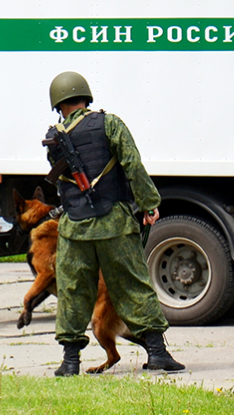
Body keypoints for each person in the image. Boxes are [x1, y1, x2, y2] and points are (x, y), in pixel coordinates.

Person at [44, 71, 184, 376]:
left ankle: (70, 362)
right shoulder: (109, 124)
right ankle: (158, 354)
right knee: (133, 285)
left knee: (73, 291)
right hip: (114, 223)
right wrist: (149, 204)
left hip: (74, 228)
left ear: (58, 104)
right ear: (86, 97)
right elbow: (132, 164)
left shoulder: (53, 137)